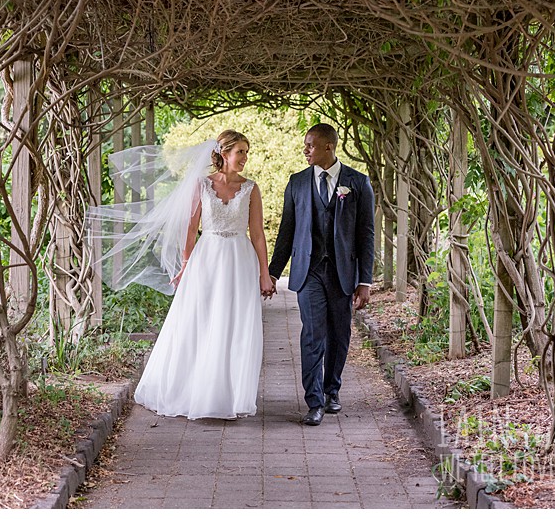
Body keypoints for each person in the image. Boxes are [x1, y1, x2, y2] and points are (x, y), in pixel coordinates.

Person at [88, 130, 274, 420]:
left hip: (240, 260)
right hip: (207, 258)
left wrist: (265, 273)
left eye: (247, 152)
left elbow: (258, 235)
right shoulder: (201, 185)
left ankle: (226, 395)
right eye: (241, 152)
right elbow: (190, 229)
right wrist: (186, 266)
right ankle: (192, 391)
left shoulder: (251, 188)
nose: (245, 158)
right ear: (224, 154)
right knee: (199, 323)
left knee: (234, 326)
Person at [268, 123, 375, 426]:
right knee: (313, 334)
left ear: (329, 146)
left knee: (340, 334)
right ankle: (314, 401)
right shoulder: (297, 183)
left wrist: (364, 281)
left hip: (343, 272)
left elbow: (366, 235)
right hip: (309, 272)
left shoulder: (358, 182)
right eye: (305, 145)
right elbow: (286, 233)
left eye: (311, 145)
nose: (306, 151)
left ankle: (332, 390)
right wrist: (273, 273)